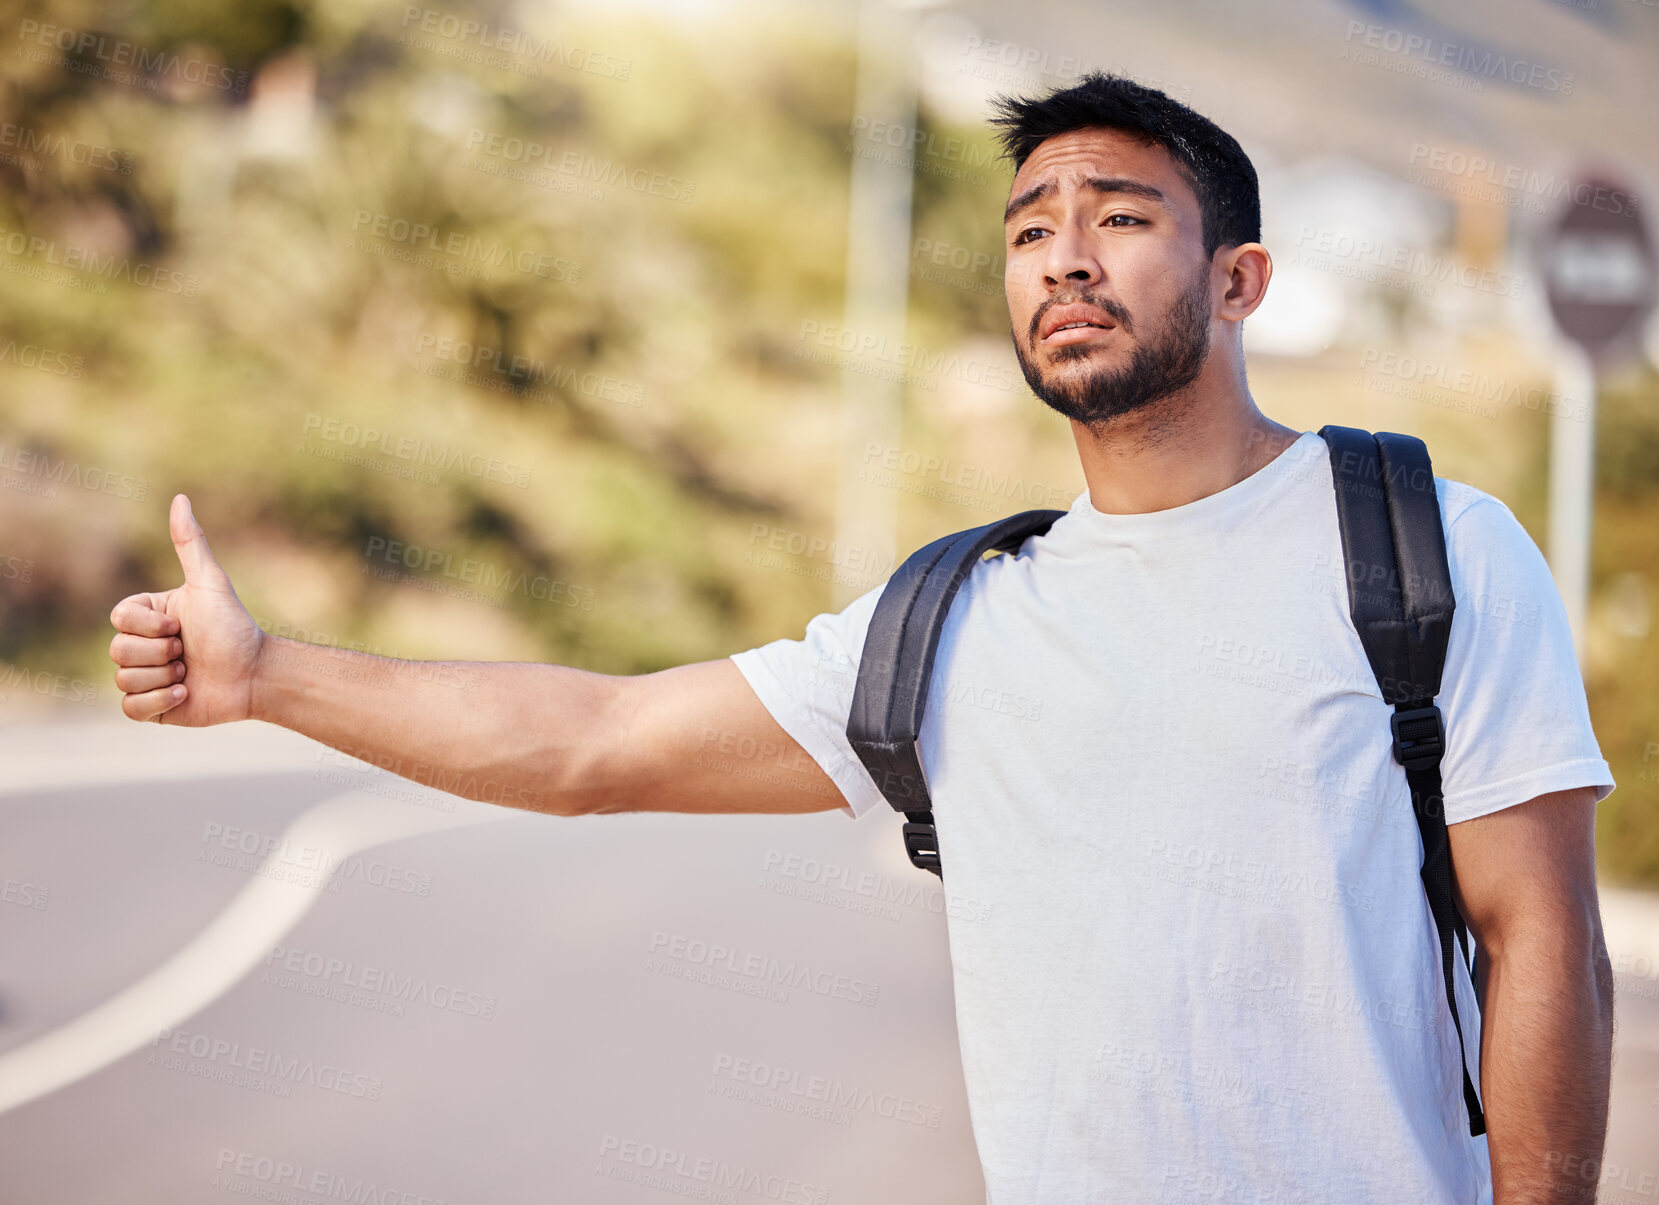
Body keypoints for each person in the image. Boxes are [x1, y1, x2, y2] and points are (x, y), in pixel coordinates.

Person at [108, 72, 1614, 1204]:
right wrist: (268, 676)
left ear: (1240, 281)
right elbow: (591, 744)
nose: (1064, 260)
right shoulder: (956, 622)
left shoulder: (1421, 544)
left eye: (1122, 219)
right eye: (1032, 230)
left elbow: (1536, 932)